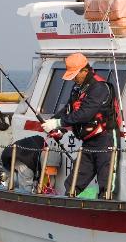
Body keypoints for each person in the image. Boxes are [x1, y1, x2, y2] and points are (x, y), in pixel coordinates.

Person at [42, 52, 119, 197]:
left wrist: (58, 122)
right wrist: (54, 124)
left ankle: (107, 208)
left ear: (85, 70)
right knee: (73, 183)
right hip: (88, 142)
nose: (74, 78)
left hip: (105, 140)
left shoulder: (100, 88)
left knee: (106, 184)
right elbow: (69, 109)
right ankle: (69, 206)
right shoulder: (78, 88)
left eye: (75, 74)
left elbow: (85, 113)